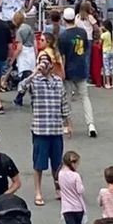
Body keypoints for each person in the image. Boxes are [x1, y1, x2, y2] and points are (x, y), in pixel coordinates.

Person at [17, 52, 71, 206]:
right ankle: (38, 192)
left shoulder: (58, 81)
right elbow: (20, 88)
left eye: (46, 62)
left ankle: (58, 189)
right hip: (40, 129)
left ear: (51, 65)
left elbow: (63, 102)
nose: (44, 65)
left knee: (57, 163)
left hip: (55, 129)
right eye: (41, 61)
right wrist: (34, 72)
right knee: (39, 164)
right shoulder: (34, 81)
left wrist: (67, 122)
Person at [59, 7, 97, 138]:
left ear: (64, 20)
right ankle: (91, 124)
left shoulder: (63, 36)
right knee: (85, 97)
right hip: (81, 67)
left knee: (67, 98)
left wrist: (62, 72)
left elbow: (62, 56)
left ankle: (67, 124)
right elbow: (86, 48)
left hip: (69, 69)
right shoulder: (82, 32)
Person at [59, 150, 86, 224]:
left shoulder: (60, 174)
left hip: (66, 208)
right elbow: (80, 190)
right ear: (73, 163)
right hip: (78, 207)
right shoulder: (76, 176)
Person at [11, 9, 36, 106]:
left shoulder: (19, 31)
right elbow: (34, 42)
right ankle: (24, 98)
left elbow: (19, 47)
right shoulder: (29, 28)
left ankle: (20, 98)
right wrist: (36, 53)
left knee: (25, 79)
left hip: (24, 55)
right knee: (30, 77)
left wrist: (13, 58)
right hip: (31, 54)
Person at [100, 19, 113, 89]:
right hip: (112, 51)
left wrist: (101, 32)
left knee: (106, 67)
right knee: (112, 67)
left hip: (105, 52)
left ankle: (108, 83)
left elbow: (101, 43)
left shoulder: (103, 35)